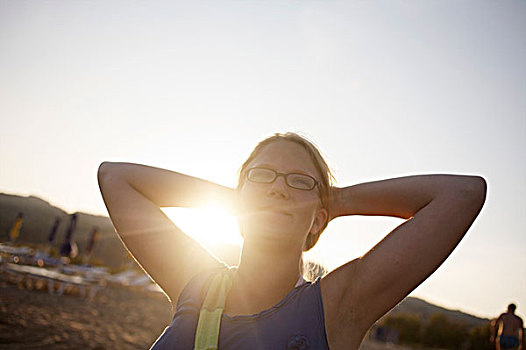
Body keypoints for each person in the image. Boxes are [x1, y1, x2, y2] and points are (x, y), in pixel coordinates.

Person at [97, 132, 486, 349]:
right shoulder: (196, 284)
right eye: (263, 175)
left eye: (300, 181)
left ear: (319, 220)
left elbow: (464, 194)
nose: (279, 189)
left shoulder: (335, 308)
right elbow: (115, 177)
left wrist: (337, 200)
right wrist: (242, 199)